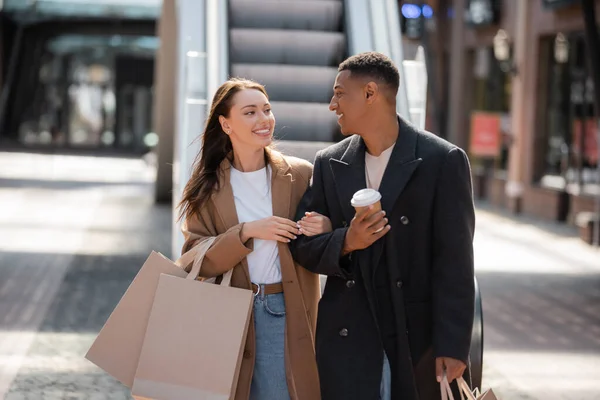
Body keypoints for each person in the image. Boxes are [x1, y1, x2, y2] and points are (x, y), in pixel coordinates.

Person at [292, 52, 475, 400]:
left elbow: (456, 262)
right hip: (348, 335)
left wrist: (452, 344)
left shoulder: (442, 160)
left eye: (339, 93)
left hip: (414, 337)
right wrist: (347, 240)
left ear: (370, 93)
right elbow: (301, 246)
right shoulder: (331, 162)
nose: (332, 104)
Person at [178, 78, 331, 400]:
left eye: (267, 109)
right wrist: (246, 232)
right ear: (225, 123)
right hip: (228, 310)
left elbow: (324, 242)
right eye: (249, 112)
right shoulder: (206, 186)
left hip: (282, 307)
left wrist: (325, 225)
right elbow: (194, 259)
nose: (264, 120)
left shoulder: (299, 175)